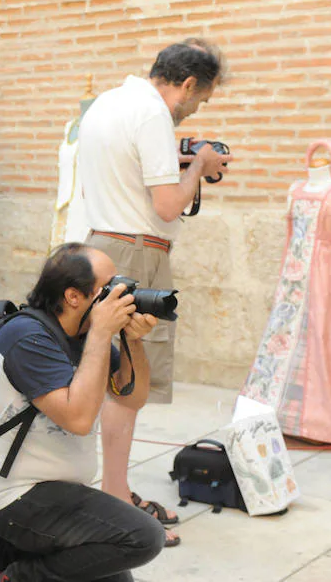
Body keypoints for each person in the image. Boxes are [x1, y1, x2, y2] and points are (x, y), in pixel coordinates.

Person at [78, 38, 232, 546]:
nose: (195, 110)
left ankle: (112, 492)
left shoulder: (109, 101)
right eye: (201, 99)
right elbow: (167, 205)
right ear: (187, 84)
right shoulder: (151, 116)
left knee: (105, 375)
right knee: (129, 383)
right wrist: (199, 166)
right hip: (137, 255)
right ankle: (117, 500)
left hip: (100, 244)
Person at [0, 243, 165, 582]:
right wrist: (100, 331)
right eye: (110, 288)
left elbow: (132, 398)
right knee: (144, 537)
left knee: (115, 576)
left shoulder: (83, 337)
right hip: (14, 497)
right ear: (73, 296)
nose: (122, 296)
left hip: (56, 490)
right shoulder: (27, 338)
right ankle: (17, 576)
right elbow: (79, 419)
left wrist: (131, 340)